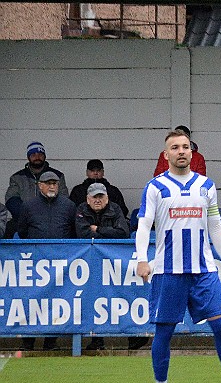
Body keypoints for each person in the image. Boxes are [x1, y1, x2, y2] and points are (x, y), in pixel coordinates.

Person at [136, 128, 221, 383]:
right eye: (174, 147)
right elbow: (144, 223)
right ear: (166, 155)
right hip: (168, 271)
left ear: (192, 152)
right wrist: (141, 258)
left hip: (203, 270)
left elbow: (215, 225)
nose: (181, 151)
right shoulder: (155, 187)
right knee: (164, 332)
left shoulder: (206, 186)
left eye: (185, 147)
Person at [16, 171, 77, 351]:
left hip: (61, 262)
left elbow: (74, 233)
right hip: (36, 262)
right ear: (39, 185)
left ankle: (51, 341)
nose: (52, 186)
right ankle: (29, 341)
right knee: (32, 301)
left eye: (55, 183)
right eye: (48, 183)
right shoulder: (28, 206)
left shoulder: (68, 206)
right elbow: (23, 231)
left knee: (57, 301)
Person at [75, 183, 131, 350]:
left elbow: (123, 233)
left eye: (101, 197)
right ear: (87, 199)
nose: (97, 200)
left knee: (120, 300)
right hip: (88, 265)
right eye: (94, 197)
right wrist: (107, 231)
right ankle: (96, 340)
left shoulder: (115, 209)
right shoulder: (80, 209)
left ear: (107, 198)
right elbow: (82, 233)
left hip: (113, 264)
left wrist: (98, 229)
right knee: (89, 300)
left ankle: (132, 337)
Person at [5, 142, 68, 237]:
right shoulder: (17, 177)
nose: (37, 157)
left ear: (45, 156)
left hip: (52, 220)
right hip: (24, 220)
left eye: (40, 154)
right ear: (28, 157)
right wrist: (29, 214)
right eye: (33, 155)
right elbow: (11, 199)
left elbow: (64, 198)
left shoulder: (57, 176)